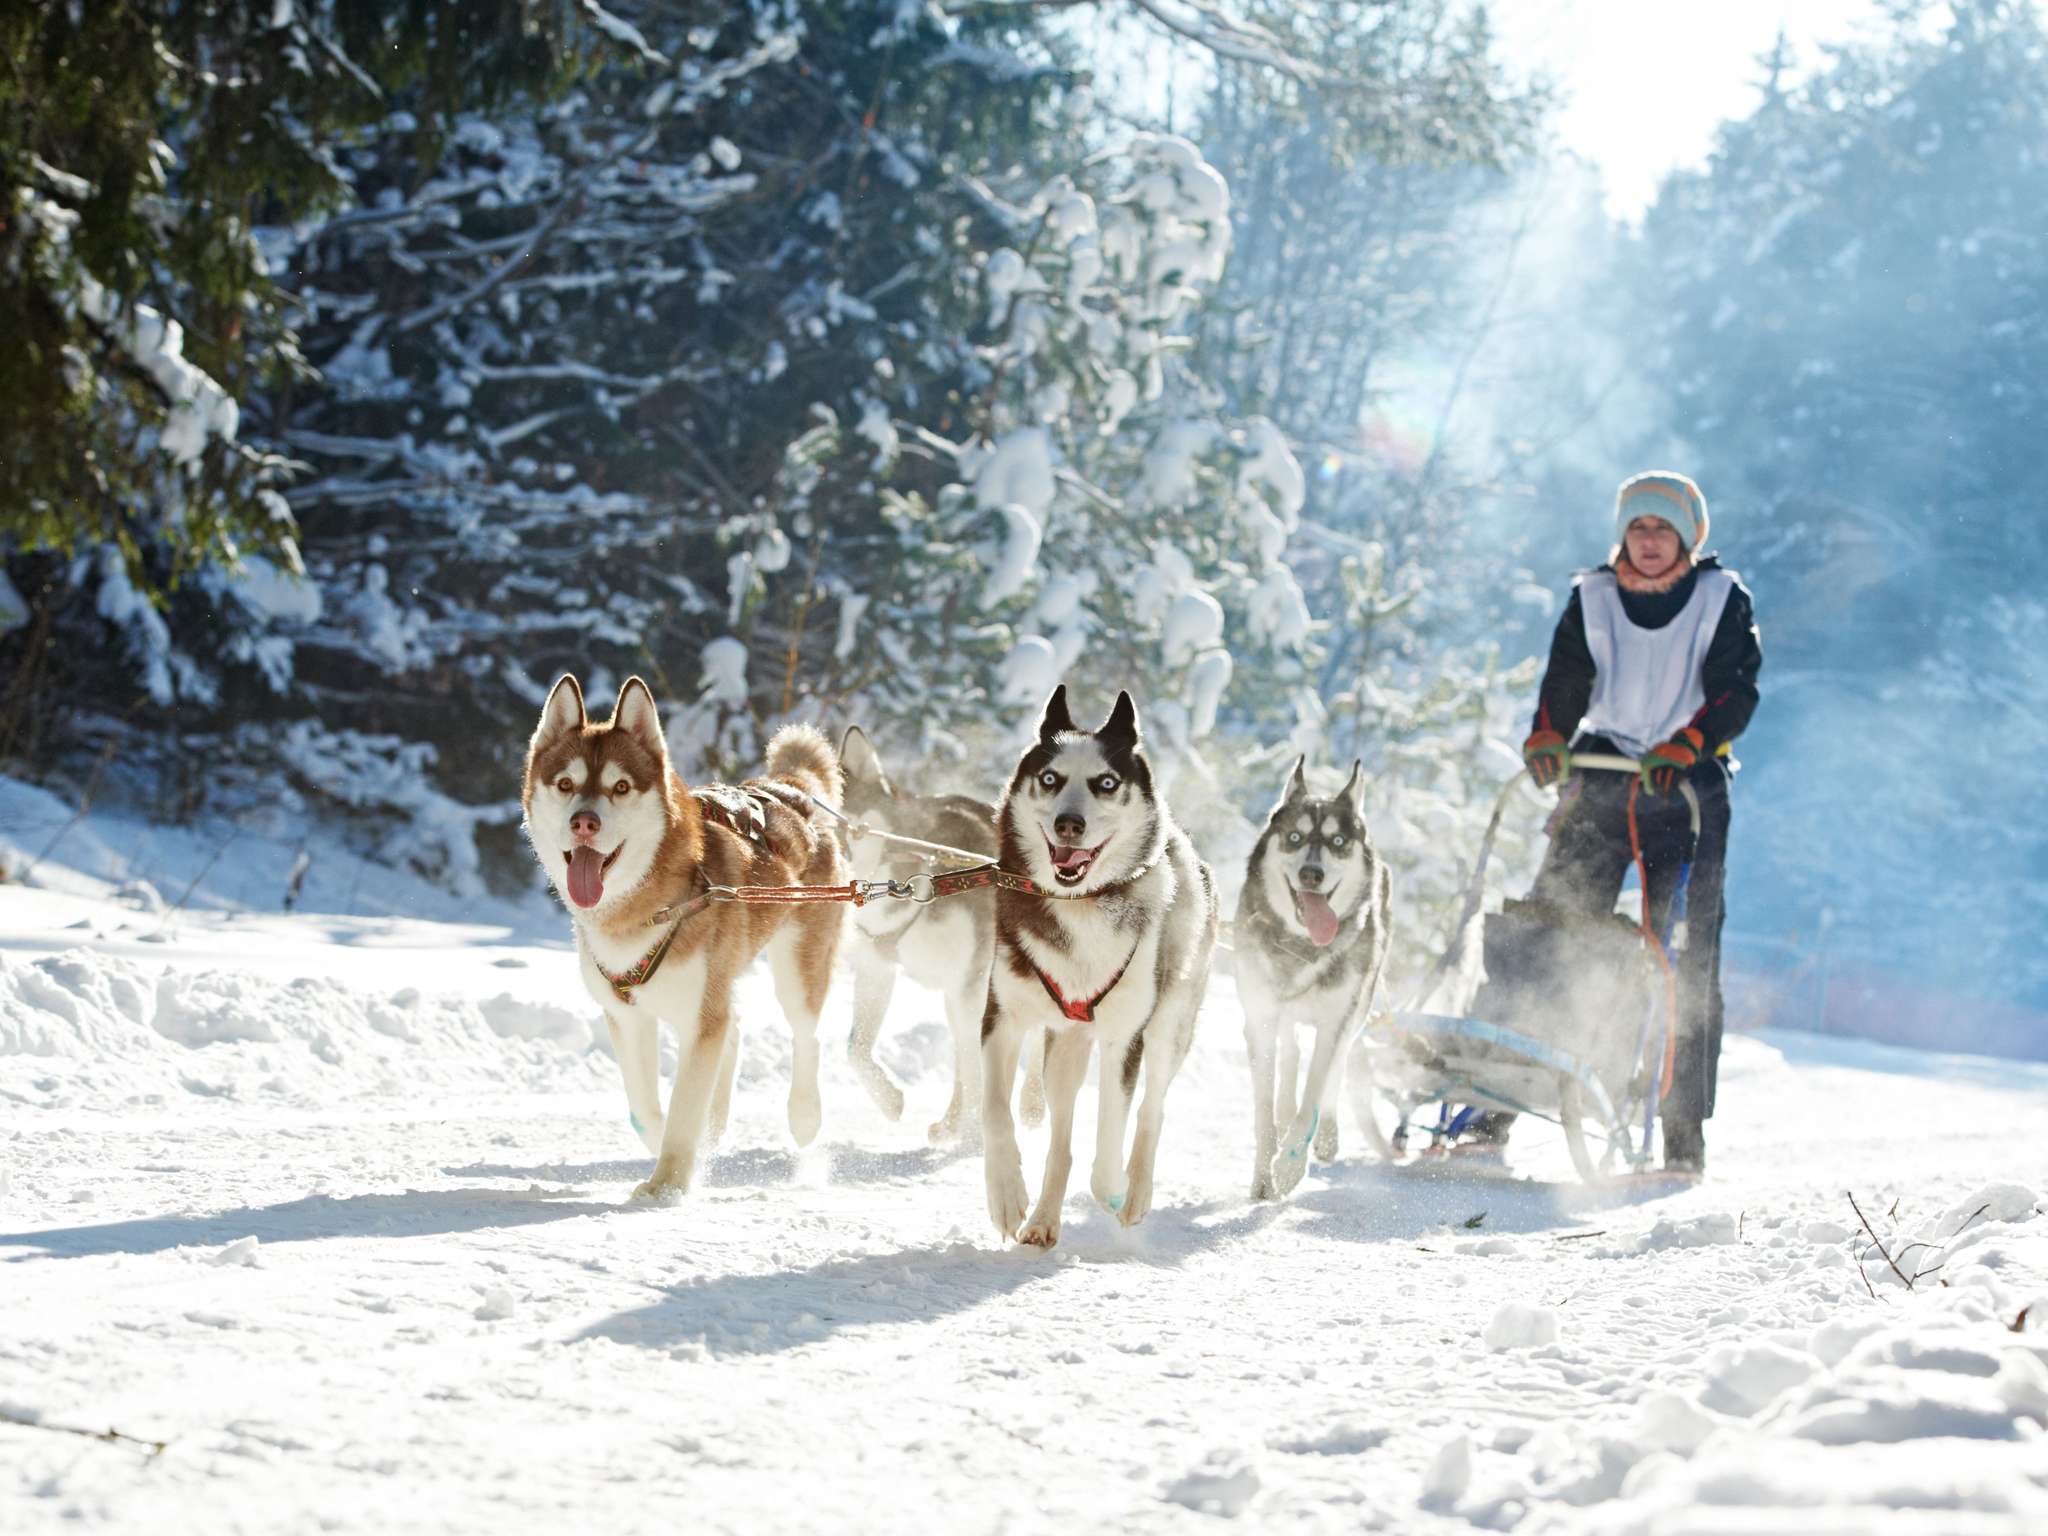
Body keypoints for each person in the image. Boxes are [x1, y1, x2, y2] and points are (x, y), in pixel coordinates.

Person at [1475, 470, 1761, 1173]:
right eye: (1638, 527)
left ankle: (1681, 1133)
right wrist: (1549, 734)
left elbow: (1735, 691)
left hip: (1686, 786)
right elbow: (1567, 679)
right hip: (1603, 775)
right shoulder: (1593, 597)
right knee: (1548, 927)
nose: (1649, 540)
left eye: (1663, 528)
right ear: (1622, 535)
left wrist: (1692, 742)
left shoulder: (1721, 598)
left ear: (1688, 537)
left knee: (1683, 958)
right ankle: (1491, 1103)